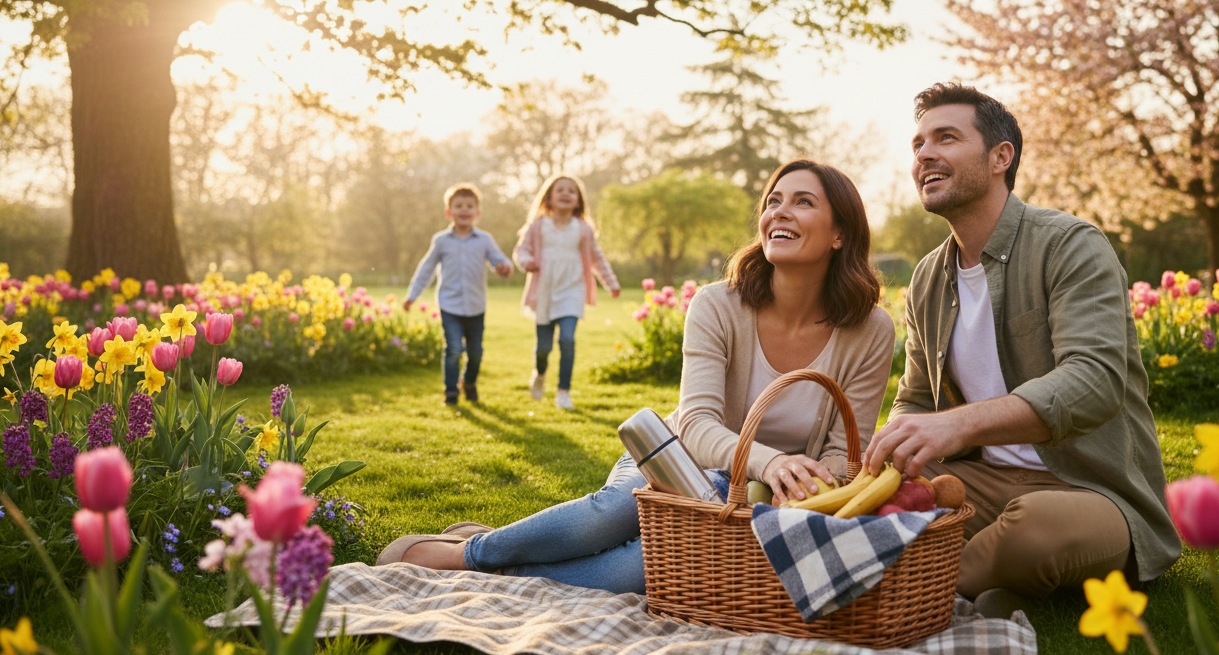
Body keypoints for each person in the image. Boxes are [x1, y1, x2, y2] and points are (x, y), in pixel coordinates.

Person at [377, 160, 896, 596]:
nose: (779, 211)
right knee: (609, 518)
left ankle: (490, 562)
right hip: (678, 456)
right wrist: (772, 459)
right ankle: (471, 553)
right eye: (773, 201)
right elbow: (694, 423)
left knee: (640, 570)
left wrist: (807, 492)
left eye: (803, 202)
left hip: (764, 497)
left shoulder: (870, 329)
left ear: (840, 234)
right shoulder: (719, 304)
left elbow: (845, 450)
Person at [865, 83, 1180, 619]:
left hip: (1089, 489)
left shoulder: (1070, 245)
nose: (924, 155)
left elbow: (1092, 381)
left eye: (946, 137)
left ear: (999, 157)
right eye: (918, 144)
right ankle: (992, 591)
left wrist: (959, 426)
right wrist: (897, 446)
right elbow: (916, 399)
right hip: (980, 482)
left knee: (1032, 535)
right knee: (865, 496)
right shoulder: (927, 278)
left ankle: (899, 587)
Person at [512, 174, 620, 411]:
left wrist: (610, 282)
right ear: (549, 197)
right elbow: (522, 250)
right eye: (560, 190)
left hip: (572, 290)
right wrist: (527, 261)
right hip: (544, 292)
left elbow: (597, 258)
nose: (565, 194)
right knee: (544, 348)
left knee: (567, 339)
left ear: (578, 200)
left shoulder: (582, 229)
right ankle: (540, 374)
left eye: (571, 191)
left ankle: (563, 392)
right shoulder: (538, 226)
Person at [404, 183, 514, 406]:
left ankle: (470, 382)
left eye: (470, 206)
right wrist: (412, 295)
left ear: (477, 213)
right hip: (450, 305)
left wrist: (504, 267)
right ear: (449, 212)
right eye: (459, 206)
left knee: (475, 353)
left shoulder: (484, 239)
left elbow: (499, 260)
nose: (464, 210)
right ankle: (451, 391)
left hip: (476, 305)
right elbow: (426, 269)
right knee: (453, 349)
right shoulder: (441, 241)